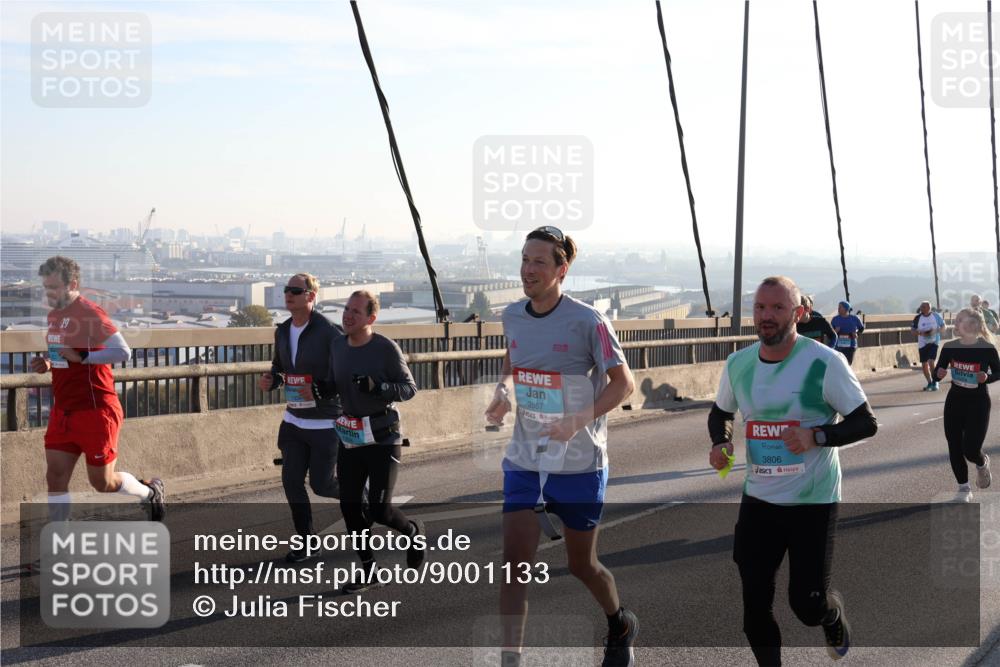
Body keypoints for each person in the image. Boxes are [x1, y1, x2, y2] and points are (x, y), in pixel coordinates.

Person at [484, 226, 638, 667]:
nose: (528, 269)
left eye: (539, 262)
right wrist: (503, 390)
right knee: (514, 562)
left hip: (578, 460)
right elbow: (514, 358)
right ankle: (510, 659)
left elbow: (623, 383)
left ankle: (619, 621)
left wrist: (576, 420)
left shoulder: (588, 320)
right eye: (524, 259)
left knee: (581, 565)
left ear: (560, 270)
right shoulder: (512, 315)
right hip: (525, 457)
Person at [708, 276, 878, 666]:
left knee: (806, 606)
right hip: (759, 501)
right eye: (760, 308)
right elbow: (721, 412)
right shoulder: (738, 363)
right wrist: (721, 442)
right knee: (754, 609)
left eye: (778, 308)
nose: (766, 317)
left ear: (799, 313)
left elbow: (865, 422)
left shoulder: (825, 362)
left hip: (812, 502)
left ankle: (830, 613)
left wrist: (816, 436)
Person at [30, 256, 164, 524]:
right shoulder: (55, 315)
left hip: (96, 410)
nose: (49, 293)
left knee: (102, 483)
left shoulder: (89, 313)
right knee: (55, 477)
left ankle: (150, 492)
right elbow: (64, 354)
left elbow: (123, 352)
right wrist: (48, 362)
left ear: (73, 284)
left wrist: (83, 356)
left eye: (54, 287)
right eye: (46, 287)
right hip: (64, 410)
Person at [331, 290, 423, 592]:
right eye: (346, 309)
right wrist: (323, 388)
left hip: (383, 437)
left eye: (356, 312)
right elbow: (336, 383)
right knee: (349, 506)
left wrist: (378, 386)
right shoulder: (337, 346)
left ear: (371, 318)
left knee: (379, 511)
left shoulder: (385, 349)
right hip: (351, 437)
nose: (348, 315)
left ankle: (412, 531)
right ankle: (369, 571)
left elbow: (409, 389)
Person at [259, 273, 343, 563]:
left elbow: (342, 374)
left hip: (324, 423)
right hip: (294, 421)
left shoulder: (329, 332)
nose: (288, 294)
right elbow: (280, 368)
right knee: (291, 481)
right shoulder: (282, 331)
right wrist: (274, 380)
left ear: (311, 296)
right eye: (286, 290)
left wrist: (320, 389)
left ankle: (363, 496)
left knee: (323, 485)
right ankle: (307, 542)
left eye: (296, 290)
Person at [934, 308, 997, 502]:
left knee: (970, 449)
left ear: (973, 325)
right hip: (955, 401)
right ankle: (964, 489)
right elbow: (939, 368)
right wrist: (939, 374)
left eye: (961, 320)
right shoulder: (950, 347)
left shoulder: (986, 348)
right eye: (957, 319)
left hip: (978, 403)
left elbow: (998, 372)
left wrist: (987, 377)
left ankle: (981, 462)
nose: (957, 323)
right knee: (954, 445)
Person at [911, 301, 945, 391]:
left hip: (934, 342)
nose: (922, 309)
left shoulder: (936, 316)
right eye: (921, 307)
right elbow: (912, 330)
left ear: (929, 308)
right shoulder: (918, 318)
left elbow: (944, 326)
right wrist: (918, 333)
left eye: (924, 307)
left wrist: (937, 331)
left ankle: (935, 382)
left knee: (931, 361)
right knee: (924, 364)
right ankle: (929, 382)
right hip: (922, 343)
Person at [830, 301, 864, 366]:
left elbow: (861, 328)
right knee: (839, 363)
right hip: (838, 345)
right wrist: (835, 331)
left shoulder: (854, 318)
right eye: (838, 307)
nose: (838, 309)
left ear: (846, 308)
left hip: (851, 345)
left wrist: (857, 334)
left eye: (840, 307)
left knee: (848, 363)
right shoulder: (835, 319)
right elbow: (830, 332)